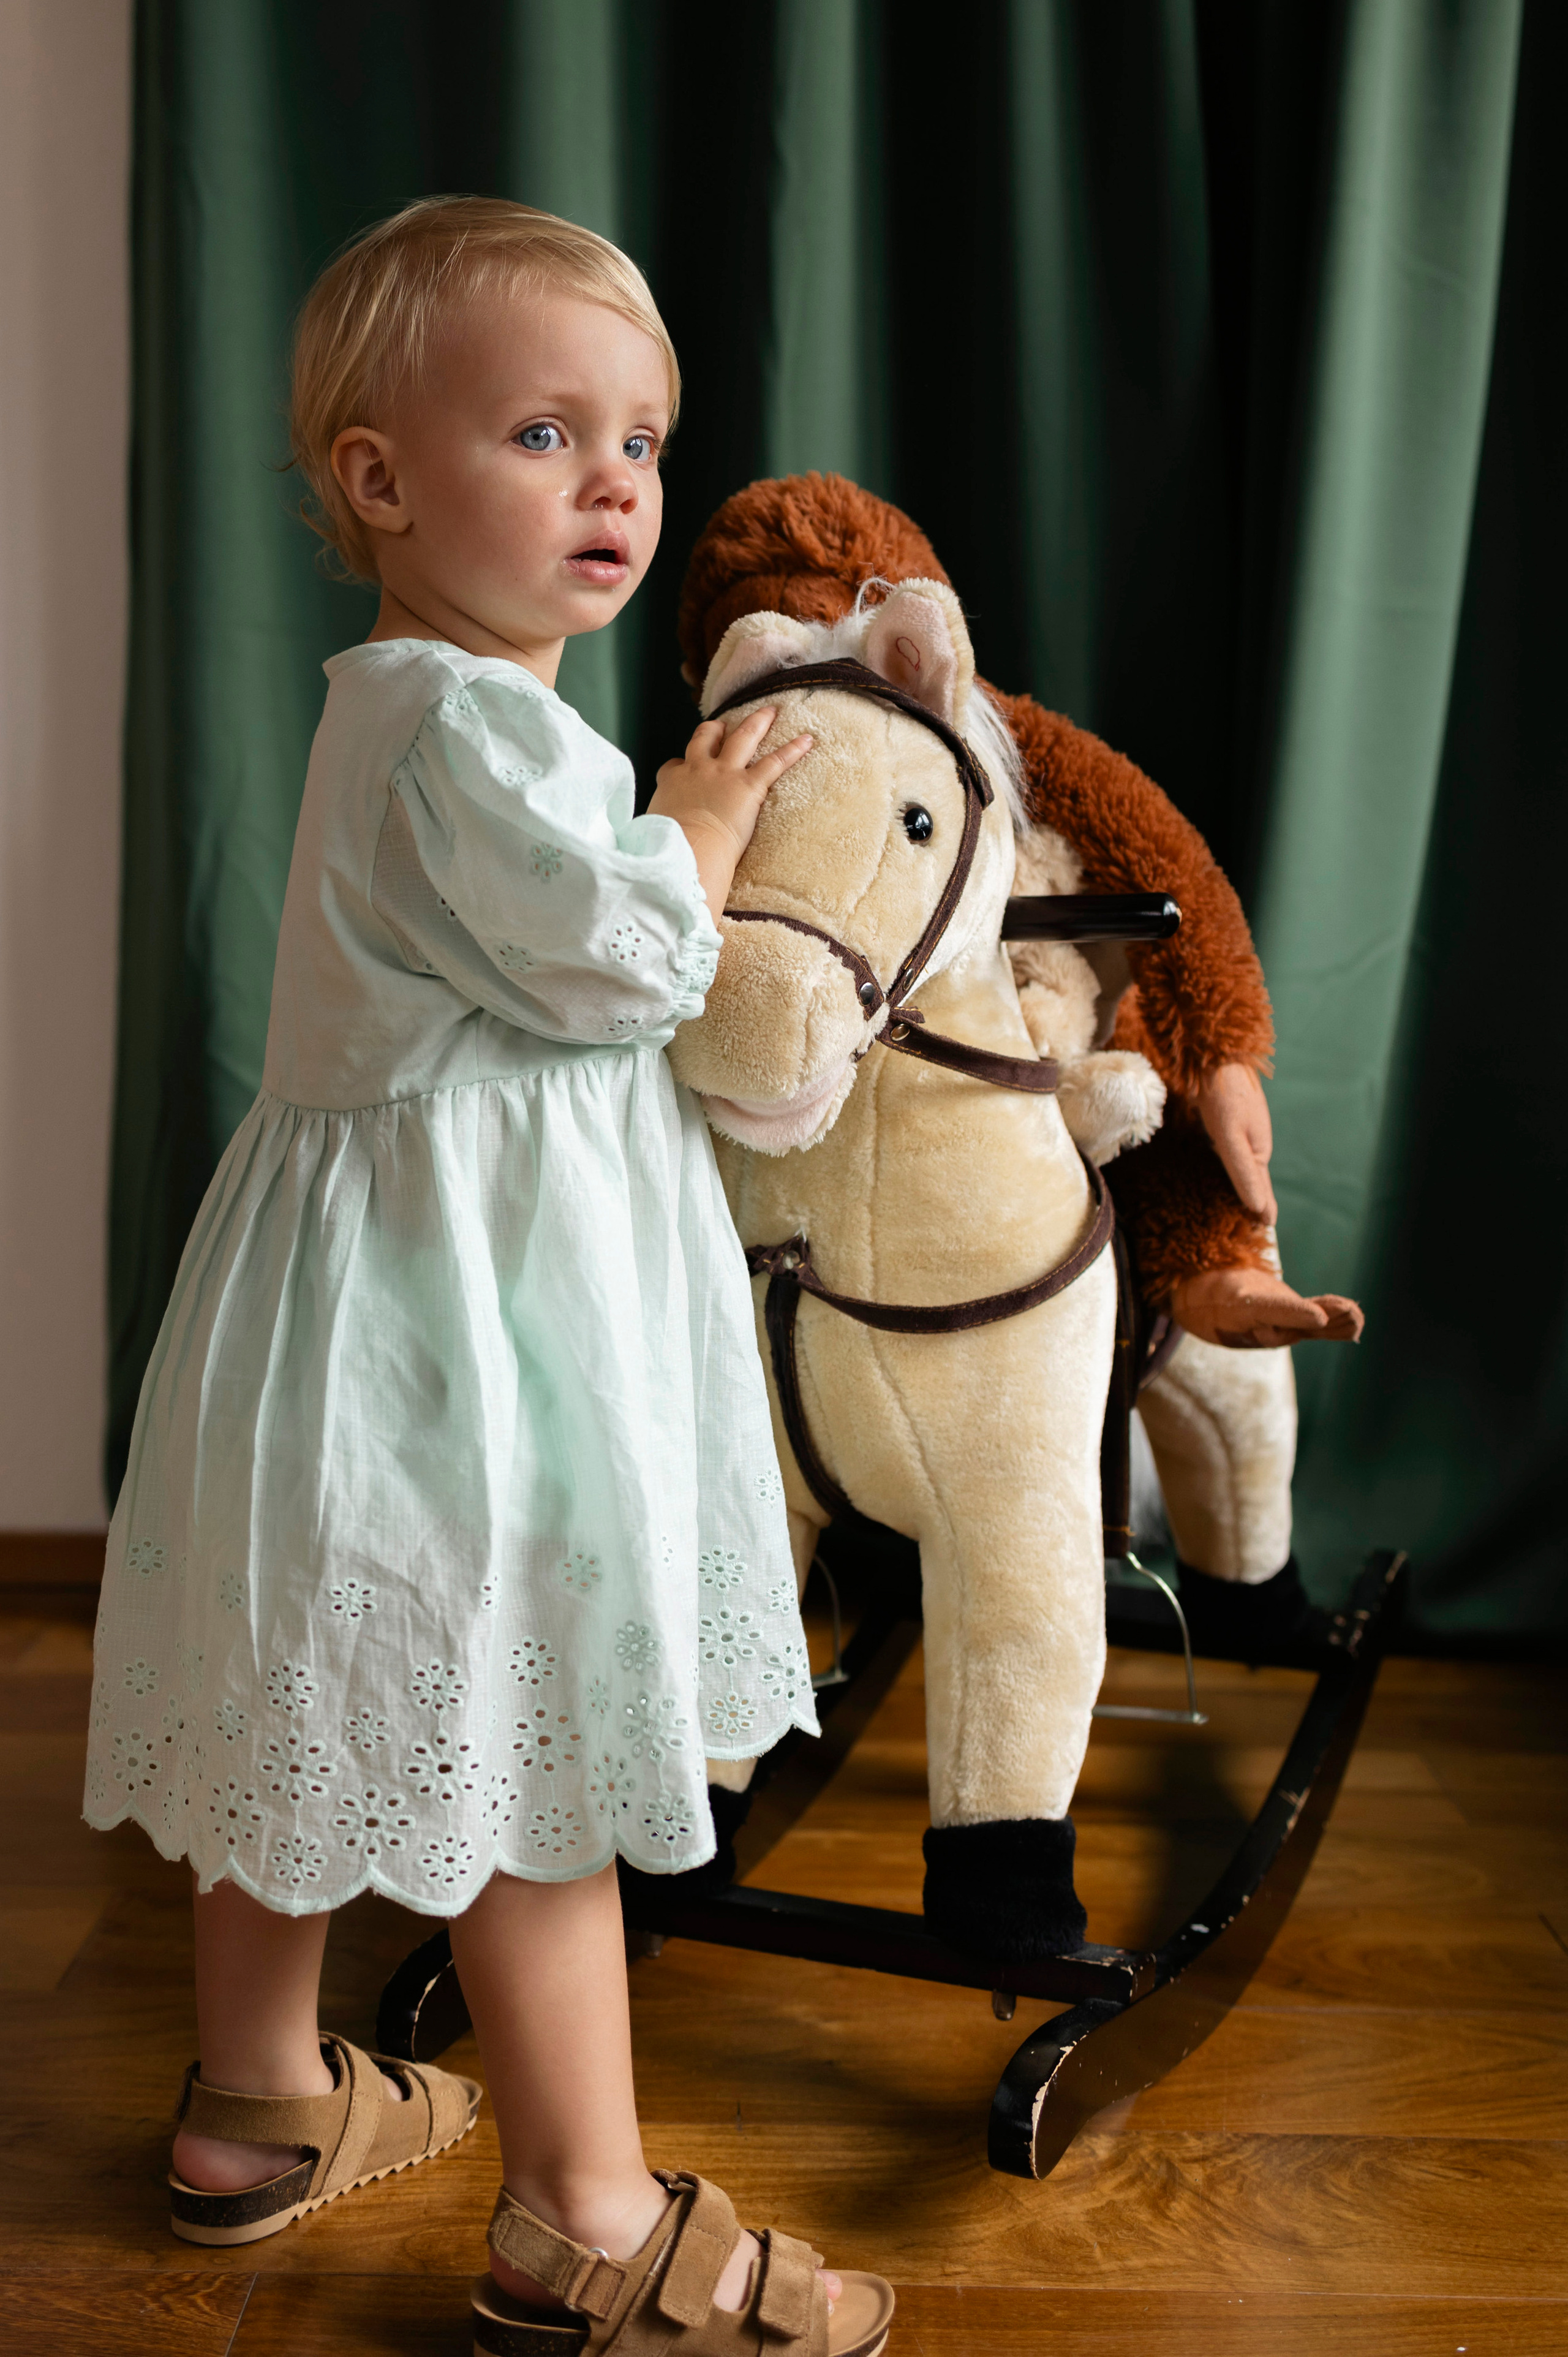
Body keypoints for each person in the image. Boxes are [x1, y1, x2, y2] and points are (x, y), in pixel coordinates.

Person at [85, 196, 894, 2357]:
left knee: (301, 1700)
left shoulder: (416, 709)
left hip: (375, 1301)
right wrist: (706, 834)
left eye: (638, 437)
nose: (617, 481)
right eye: (545, 433)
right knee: (540, 1734)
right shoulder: (480, 731)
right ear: (379, 481)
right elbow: (628, 957)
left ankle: (259, 2108)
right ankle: (585, 2214)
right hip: (469, 1336)